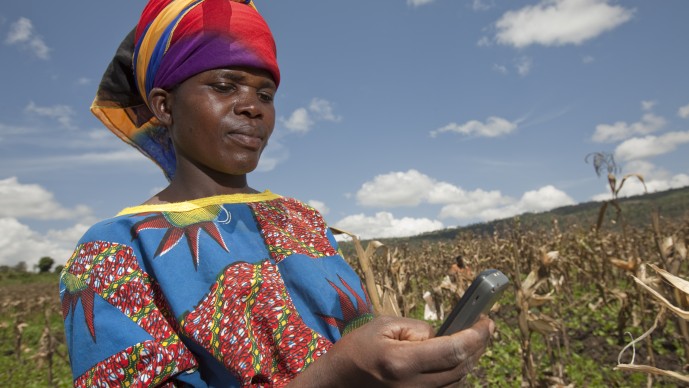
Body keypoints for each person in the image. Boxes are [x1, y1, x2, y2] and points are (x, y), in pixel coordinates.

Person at [59, 0, 495, 386]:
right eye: (224, 85)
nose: (253, 106)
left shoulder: (299, 219)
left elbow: (353, 335)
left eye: (264, 93)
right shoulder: (112, 251)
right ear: (164, 106)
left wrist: (404, 355)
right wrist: (338, 375)